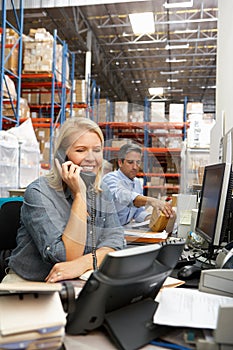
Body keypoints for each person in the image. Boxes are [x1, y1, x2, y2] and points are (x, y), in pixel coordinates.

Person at [2, 118, 124, 283]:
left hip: (79, 278)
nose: (92, 158)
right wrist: (79, 195)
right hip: (32, 284)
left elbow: (116, 242)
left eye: (97, 150)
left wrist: (83, 264)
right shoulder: (38, 192)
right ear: (62, 156)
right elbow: (64, 256)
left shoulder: (102, 191)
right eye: (81, 150)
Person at [102, 143, 174, 226]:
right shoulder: (110, 179)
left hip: (124, 230)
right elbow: (123, 196)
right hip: (106, 232)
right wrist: (152, 201)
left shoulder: (137, 183)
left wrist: (153, 218)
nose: (135, 167)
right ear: (120, 162)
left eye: (138, 162)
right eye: (130, 162)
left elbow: (137, 213)